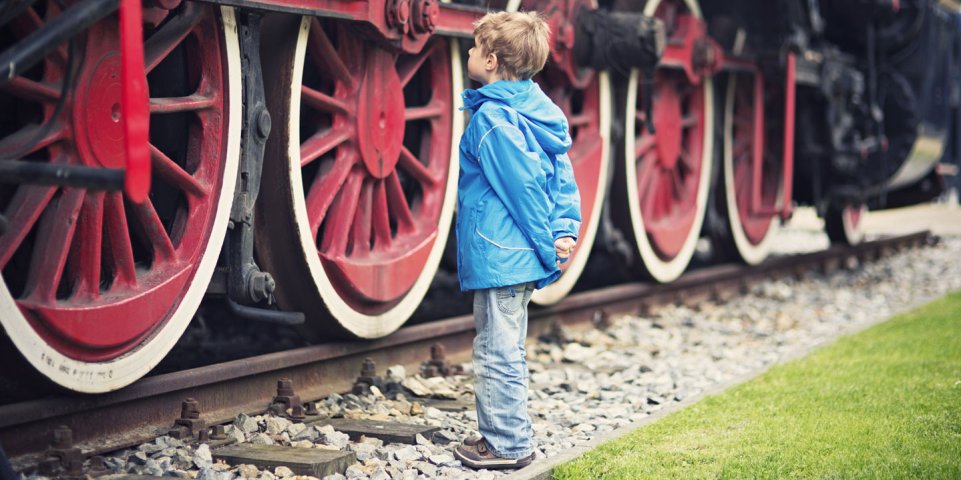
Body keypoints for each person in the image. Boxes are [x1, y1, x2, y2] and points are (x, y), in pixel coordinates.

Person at [452, 10, 581, 470]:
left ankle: (505, 444)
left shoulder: (492, 121)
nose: (466, 52)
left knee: (496, 351)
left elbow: (524, 189)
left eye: (472, 47)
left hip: (502, 252)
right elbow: (560, 176)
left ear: (489, 60)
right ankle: (507, 435)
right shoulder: (537, 109)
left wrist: (549, 243)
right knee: (505, 346)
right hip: (516, 254)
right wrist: (565, 228)